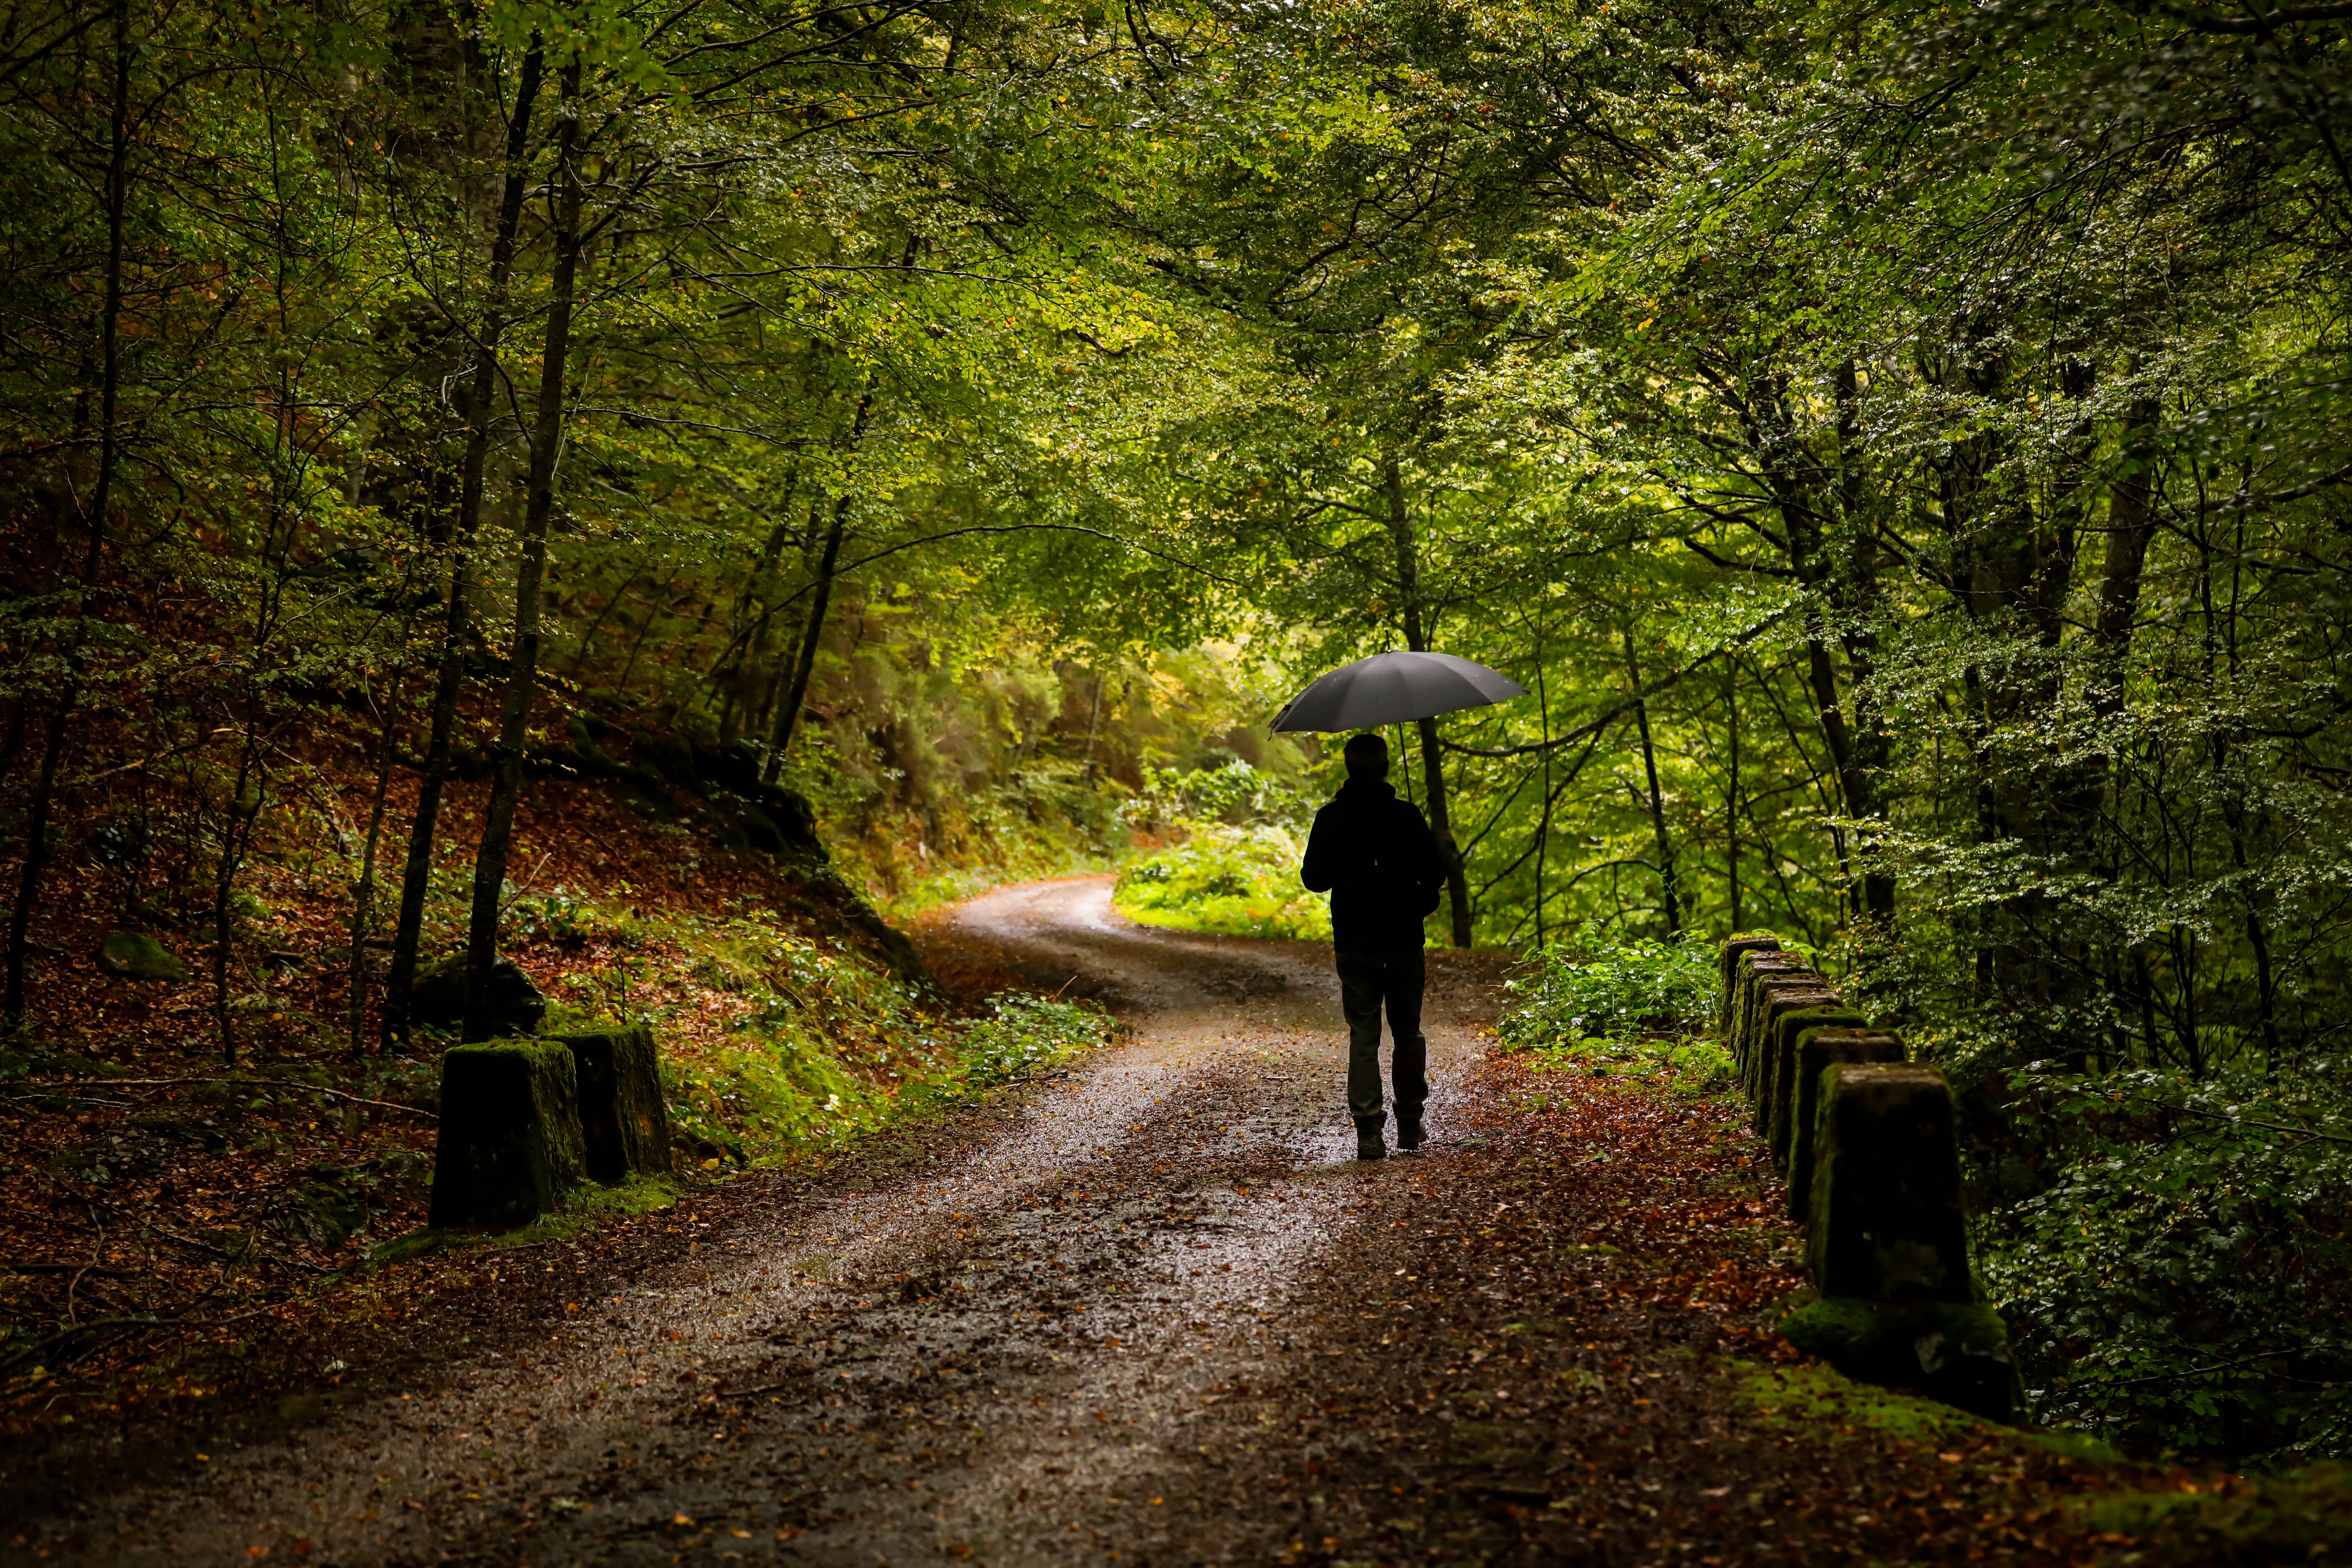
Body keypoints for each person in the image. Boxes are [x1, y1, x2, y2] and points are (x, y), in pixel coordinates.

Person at [1299, 732, 1447, 1161]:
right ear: (1385, 768)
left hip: (1354, 941)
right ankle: (1410, 1122)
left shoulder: (1331, 818)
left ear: (1348, 768)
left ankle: (1368, 1132)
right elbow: (1435, 874)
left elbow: (1314, 879)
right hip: (1402, 941)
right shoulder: (1405, 815)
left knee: (1364, 1035)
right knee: (1407, 1030)